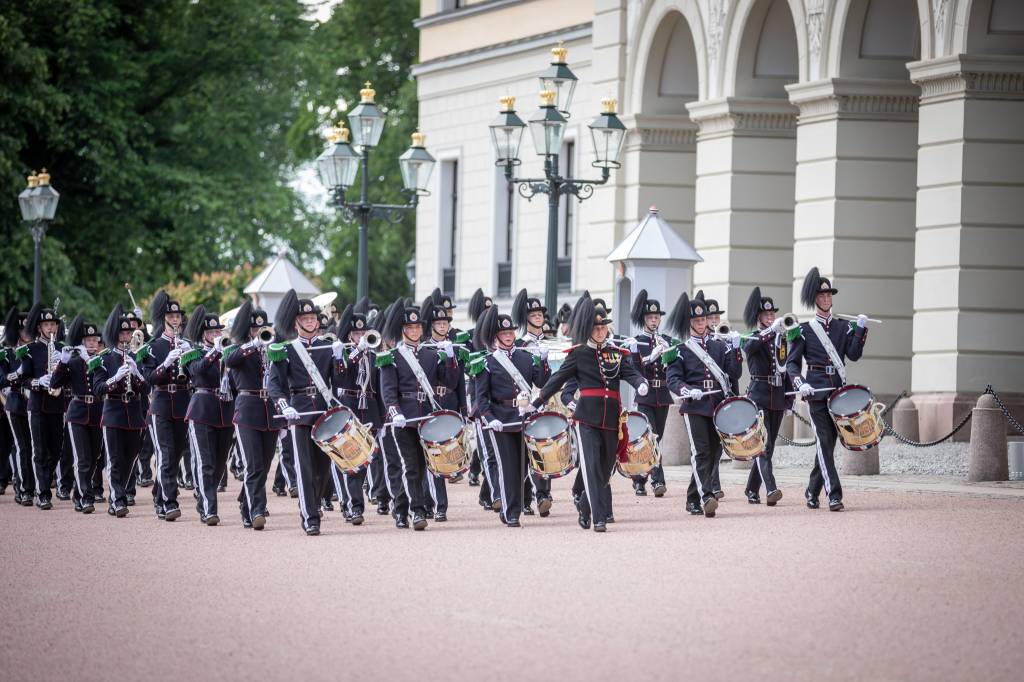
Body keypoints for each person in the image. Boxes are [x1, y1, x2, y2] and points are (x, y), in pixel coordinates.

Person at [532, 297, 649, 533]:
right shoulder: (578, 353)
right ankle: (599, 518)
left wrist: (640, 383)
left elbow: (630, 373)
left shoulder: (616, 353)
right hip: (586, 418)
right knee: (591, 466)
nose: (600, 331)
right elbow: (558, 379)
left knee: (605, 469)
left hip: (611, 419)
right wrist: (538, 401)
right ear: (588, 329)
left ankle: (585, 507)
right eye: (596, 328)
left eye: (603, 327)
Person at [786, 267, 869, 512]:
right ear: (815, 300)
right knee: (823, 442)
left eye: (829, 295)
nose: (826, 299)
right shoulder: (804, 329)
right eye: (821, 296)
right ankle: (834, 494)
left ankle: (811, 491)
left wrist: (861, 330)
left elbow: (853, 355)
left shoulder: (843, 327)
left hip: (838, 393)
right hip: (816, 394)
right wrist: (801, 383)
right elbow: (791, 364)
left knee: (828, 445)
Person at [268, 290, 347, 536]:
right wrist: (284, 405)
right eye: (306, 318)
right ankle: (310, 516)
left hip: (324, 411)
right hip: (299, 411)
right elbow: (274, 383)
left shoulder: (326, 347)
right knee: (303, 467)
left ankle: (310, 502)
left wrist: (339, 359)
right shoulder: (286, 349)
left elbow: (341, 380)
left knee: (323, 467)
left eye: (313, 317)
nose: (311, 321)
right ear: (296, 322)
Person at [378, 304, 458, 531]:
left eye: (417, 327)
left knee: (423, 468)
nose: (414, 331)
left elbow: (449, 382)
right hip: (403, 418)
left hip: (426, 418)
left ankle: (401, 509)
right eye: (409, 327)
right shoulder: (392, 357)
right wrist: (395, 412)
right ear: (402, 330)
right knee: (409, 466)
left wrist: (451, 357)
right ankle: (417, 511)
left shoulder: (431, 355)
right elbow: (388, 390)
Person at [664, 293, 742, 518]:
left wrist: (736, 350)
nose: (702, 323)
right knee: (701, 451)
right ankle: (706, 495)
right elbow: (673, 379)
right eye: (697, 320)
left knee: (714, 453)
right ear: (689, 323)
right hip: (695, 406)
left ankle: (692, 498)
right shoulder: (679, 350)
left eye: (704, 319)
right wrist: (687, 390)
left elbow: (734, 373)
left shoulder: (719, 346)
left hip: (716, 405)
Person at [473, 307, 550, 527]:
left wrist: (543, 361)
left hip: (524, 417)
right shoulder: (487, 362)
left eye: (510, 332)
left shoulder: (525, 357)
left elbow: (542, 383)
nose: (508, 335)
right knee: (507, 467)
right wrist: (489, 418)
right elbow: (481, 398)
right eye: (504, 333)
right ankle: (511, 511)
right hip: (501, 420)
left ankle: (513, 505)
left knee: (524, 467)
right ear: (496, 336)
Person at [224, 300, 279, 530]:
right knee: (253, 465)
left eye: (263, 328)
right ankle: (257, 510)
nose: (260, 332)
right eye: (256, 329)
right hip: (248, 409)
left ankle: (246, 504)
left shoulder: (273, 347)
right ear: (249, 330)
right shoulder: (237, 347)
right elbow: (230, 360)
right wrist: (254, 344)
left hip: (270, 411)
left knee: (264, 466)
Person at [139, 291, 192, 520]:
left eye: (178, 315)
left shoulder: (188, 344)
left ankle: (160, 495)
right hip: (160, 404)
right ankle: (170, 502)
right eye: (170, 315)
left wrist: (192, 357)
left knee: (177, 453)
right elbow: (149, 378)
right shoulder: (152, 347)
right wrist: (167, 362)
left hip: (183, 403)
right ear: (163, 318)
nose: (175, 319)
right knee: (166, 454)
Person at [92, 305, 148, 517]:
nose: (125, 337)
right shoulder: (104, 359)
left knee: (130, 458)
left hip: (134, 414)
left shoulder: (137, 357)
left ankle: (119, 493)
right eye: (122, 333)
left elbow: (147, 388)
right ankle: (117, 499)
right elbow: (98, 389)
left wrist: (136, 372)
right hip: (113, 411)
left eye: (128, 333)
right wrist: (115, 378)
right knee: (115, 459)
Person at [181, 305, 235, 526]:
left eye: (218, 332)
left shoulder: (227, 353)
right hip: (202, 408)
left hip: (224, 410)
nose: (216, 336)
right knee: (206, 462)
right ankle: (209, 508)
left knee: (220, 463)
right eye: (211, 333)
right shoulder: (193, 352)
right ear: (203, 334)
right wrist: (215, 351)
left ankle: (204, 495)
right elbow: (197, 370)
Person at [333, 304, 384, 525]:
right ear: (349, 335)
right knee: (351, 456)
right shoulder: (342, 351)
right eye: (355, 333)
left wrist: (383, 417)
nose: (360, 337)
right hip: (349, 404)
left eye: (363, 333)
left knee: (367, 457)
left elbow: (381, 385)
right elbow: (341, 376)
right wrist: (357, 350)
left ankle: (353, 501)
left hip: (370, 406)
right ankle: (354, 505)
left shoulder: (374, 354)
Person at [741, 288, 790, 506]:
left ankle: (752, 489)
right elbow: (750, 348)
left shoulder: (781, 339)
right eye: (766, 315)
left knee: (769, 446)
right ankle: (770, 488)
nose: (770, 317)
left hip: (777, 395)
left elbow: (786, 368)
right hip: (759, 394)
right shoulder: (752, 337)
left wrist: (789, 399)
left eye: (772, 315)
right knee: (763, 445)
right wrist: (770, 330)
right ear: (758, 317)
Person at [50, 315, 105, 513]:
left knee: (95, 457)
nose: (92, 343)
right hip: (78, 412)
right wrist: (63, 361)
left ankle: (78, 493)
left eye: (94, 340)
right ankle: (86, 497)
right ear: (81, 342)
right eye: (88, 340)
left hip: (97, 412)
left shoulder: (100, 360)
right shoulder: (72, 362)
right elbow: (54, 384)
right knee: (82, 458)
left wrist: (89, 359)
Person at [19, 303, 66, 509]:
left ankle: (45, 482)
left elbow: (70, 378)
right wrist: (39, 382)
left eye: (53, 324)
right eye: (46, 324)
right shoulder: (29, 350)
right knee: (39, 451)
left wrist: (62, 367)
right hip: (37, 405)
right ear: (39, 327)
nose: (50, 328)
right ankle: (43, 493)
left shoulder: (62, 349)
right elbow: (23, 379)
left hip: (57, 405)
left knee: (55, 450)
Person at [628, 290, 672, 498]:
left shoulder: (666, 340)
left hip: (662, 394)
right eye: (650, 317)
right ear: (644, 319)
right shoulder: (637, 342)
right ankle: (657, 480)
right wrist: (651, 357)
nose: (654, 321)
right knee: (649, 438)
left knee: (657, 437)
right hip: (645, 396)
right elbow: (634, 370)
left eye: (656, 317)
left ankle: (639, 480)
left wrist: (668, 353)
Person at [2, 307, 34, 505]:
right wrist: (18, 374)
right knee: (22, 447)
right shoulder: (6, 354)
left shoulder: (34, 351)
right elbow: (2, 379)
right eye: (23, 331)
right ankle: (23, 487)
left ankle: (34, 485)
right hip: (15, 401)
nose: (26, 334)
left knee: (34, 448)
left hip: (35, 403)